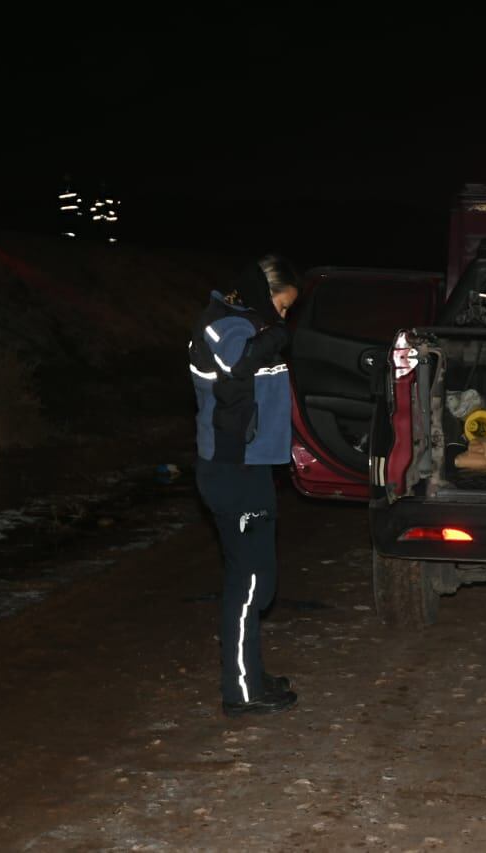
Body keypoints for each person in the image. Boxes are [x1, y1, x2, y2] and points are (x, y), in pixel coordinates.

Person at [188, 255, 300, 716]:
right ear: (261, 293)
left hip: (253, 468)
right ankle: (240, 690)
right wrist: (272, 336)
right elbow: (236, 377)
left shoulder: (250, 324)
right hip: (231, 469)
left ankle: (250, 672)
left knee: (261, 579)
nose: (284, 315)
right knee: (250, 581)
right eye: (283, 304)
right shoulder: (223, 326)